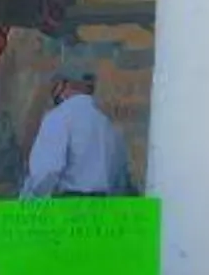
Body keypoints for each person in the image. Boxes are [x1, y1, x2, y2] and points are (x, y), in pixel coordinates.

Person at [21, 67, 131, 198]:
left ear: (63, 85)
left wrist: (31, 196)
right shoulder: (107, 124)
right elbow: (120, 177)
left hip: (67, 206)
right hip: (102, 208)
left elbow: (47, 171)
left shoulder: (59, 117)